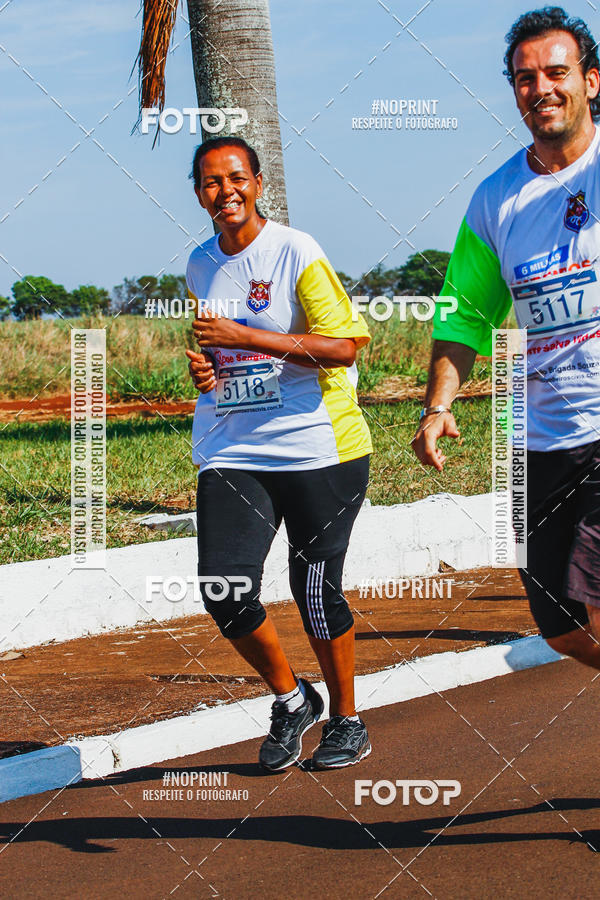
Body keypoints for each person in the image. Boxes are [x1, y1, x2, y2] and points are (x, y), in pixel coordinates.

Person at [413, 8, 600, 666]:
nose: (541, 88)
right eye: (524, 78)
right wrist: (438, 407)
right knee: (559, 626)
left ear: (592, 81)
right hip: (543, 441)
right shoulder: (497, 199)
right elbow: (463, 314)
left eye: (557, 72)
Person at [184, 136, 373, 771]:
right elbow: (218, 355)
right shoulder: (200, 263)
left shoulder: (295, 250)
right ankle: (293, 700)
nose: (225, 190)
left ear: (258, 184)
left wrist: (243, 335)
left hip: (318, 445)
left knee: (312, 588)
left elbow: (344, 346)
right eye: (211, 182)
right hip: (234, 445)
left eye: (237, 177)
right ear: (198, 194)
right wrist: (207, 370)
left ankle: (347, 717)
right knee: (224, 586)